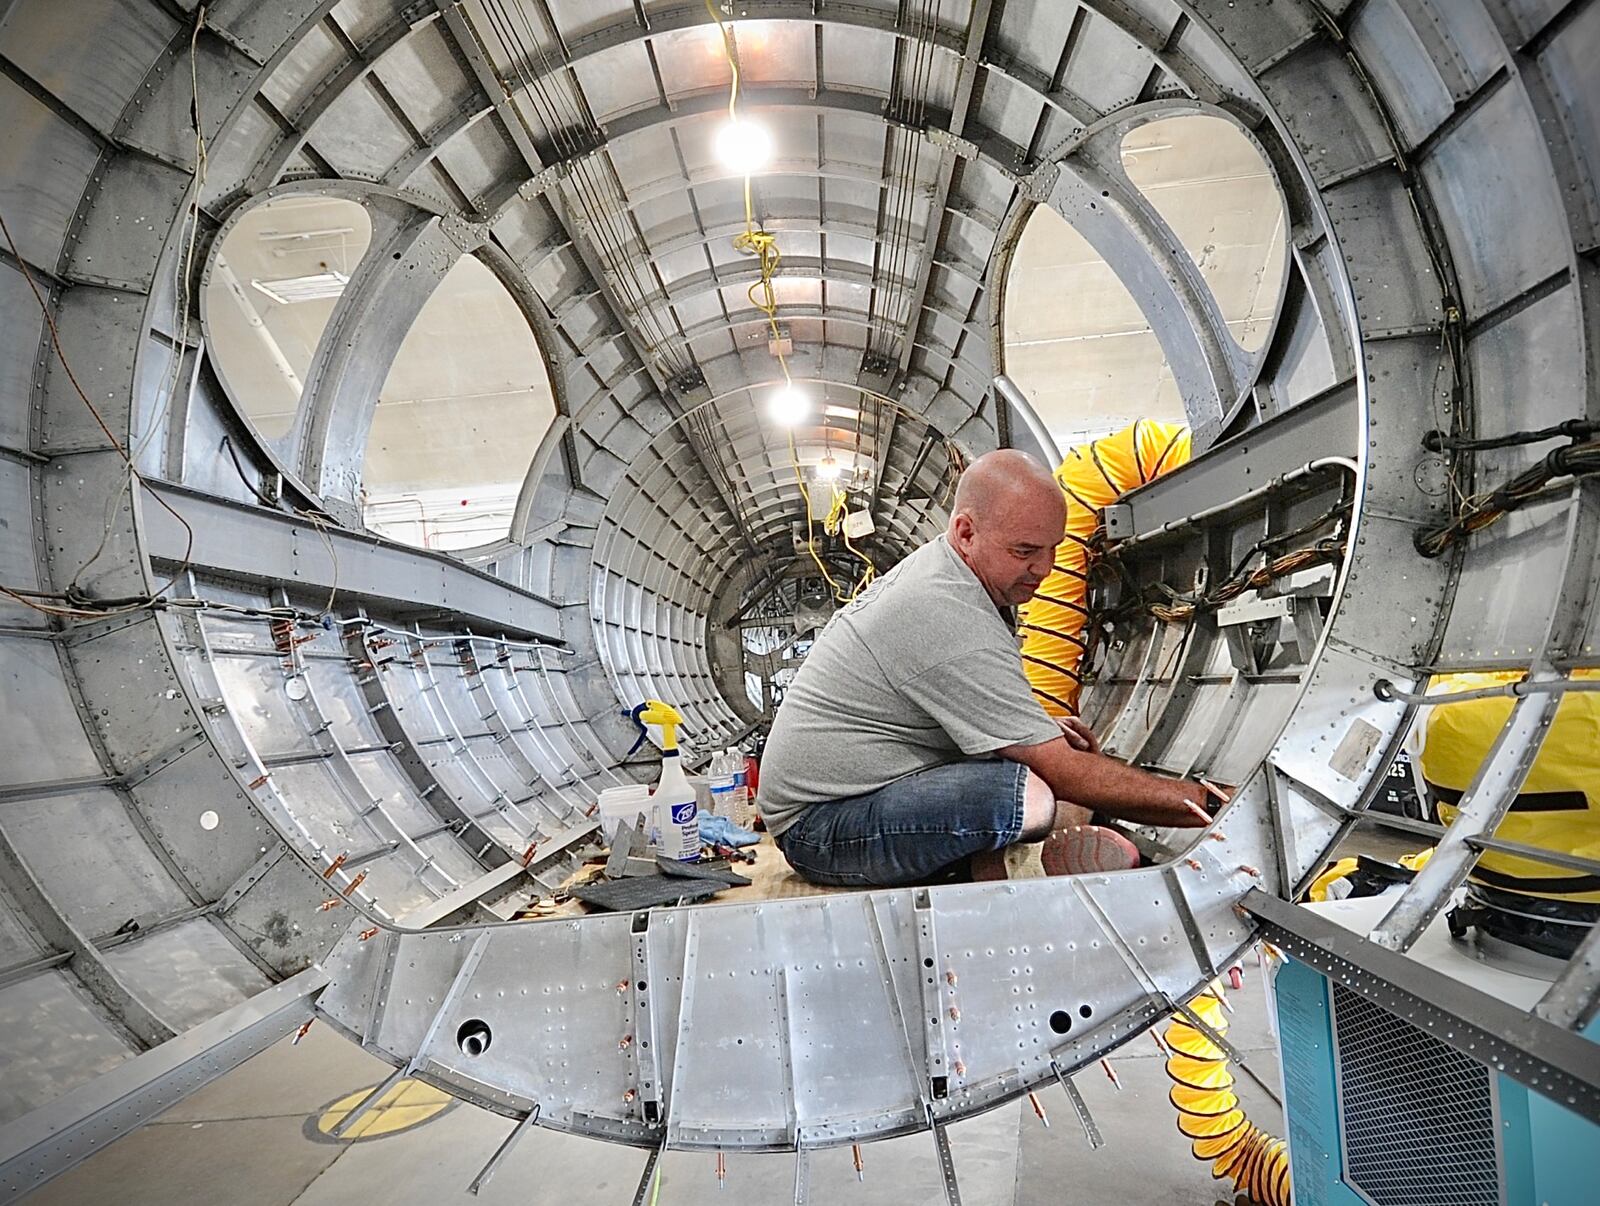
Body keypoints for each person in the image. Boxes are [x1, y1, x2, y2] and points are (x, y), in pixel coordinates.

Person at [758, 448, 1215, 887]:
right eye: (1024, 551)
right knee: (1023, 799)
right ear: (966, 531)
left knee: (1051, 773)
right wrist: (1199, 802)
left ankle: (1001, 854)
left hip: (862, 794)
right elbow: (1061, 770)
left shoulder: (959, 577)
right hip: (821, 829)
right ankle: (1002, 868)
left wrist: (1039, 735)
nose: (1045, 568)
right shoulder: (942, 610)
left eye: (1053, 548)